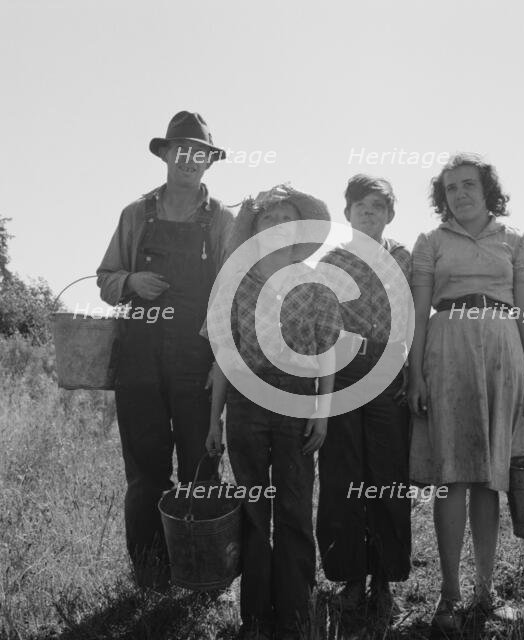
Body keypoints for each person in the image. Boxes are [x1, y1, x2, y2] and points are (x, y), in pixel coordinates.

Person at [408, 153, 524, 632]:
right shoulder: (431, 242)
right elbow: (418, 314)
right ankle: (449, 595)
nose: (460, 194)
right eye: (450, 188)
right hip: (446, 352)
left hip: (502, 354)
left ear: (488, 190)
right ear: (442, 197)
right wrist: (415, 375)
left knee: (491, 477)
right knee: (453, 476)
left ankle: (485, 593)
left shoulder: (515, 241)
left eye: (469, 185)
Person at [97, 111, 234, 590]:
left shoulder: (222, 220)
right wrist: (131, 280)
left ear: (209, 162)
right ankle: (151, 577)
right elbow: (105, 280)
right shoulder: (135, 214)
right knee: (145, 473)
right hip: (138, 361)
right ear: (166, 155)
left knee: (201, 465)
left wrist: (222, 362)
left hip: (197, 363)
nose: (190, 160)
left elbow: (232, 293)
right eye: (182, 151)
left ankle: (204, 577)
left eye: (200, 153)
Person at [203, 185, 342, 640]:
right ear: (256, 228)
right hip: (247, 402)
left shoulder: (315, 283)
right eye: (269, 218)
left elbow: (326, 354)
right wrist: (214, 420)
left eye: (288, 217)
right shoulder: (236, 284)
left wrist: (321, 414)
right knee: (254, 509)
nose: (278, 224)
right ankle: (256, 619)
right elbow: (225, 355)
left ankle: (296, 617)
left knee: (296, 509)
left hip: (299, 401)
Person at [316, 174, 412, 620]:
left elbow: (413, 318)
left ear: (390, 215)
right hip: (345, 368)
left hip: (390, 368)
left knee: (387, 471)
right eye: (361, 207)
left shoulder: (403, 258)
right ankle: (350, 577)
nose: (369, 214)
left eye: (378, 207)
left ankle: (385, 580)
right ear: (347, 213)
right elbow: (324, 329)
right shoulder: (332, 261)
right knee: (343, 471)